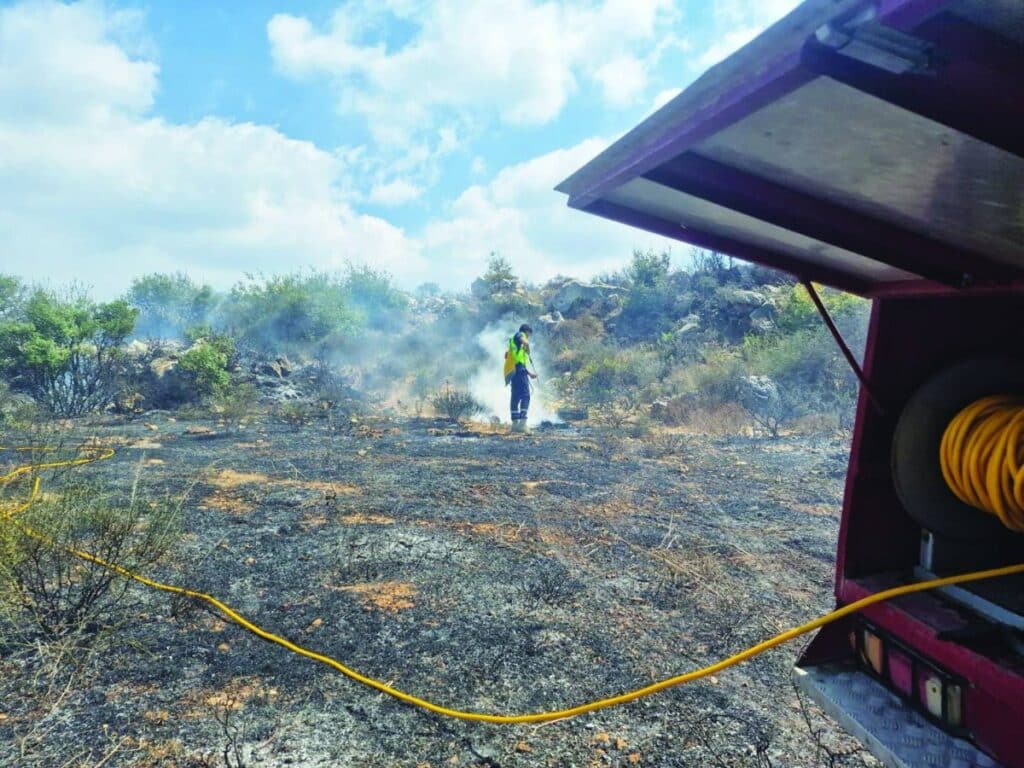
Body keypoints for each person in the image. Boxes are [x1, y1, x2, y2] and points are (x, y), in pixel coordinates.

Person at [507, 323, 538, 431]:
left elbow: (518, 362)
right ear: (526, 331)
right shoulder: (520, 335)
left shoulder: (513, 341)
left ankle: (515, 424)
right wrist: (527, 348)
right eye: (528, 335)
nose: (528, 337)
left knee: (515, 396)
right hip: (518, 370)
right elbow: (525, 342)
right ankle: (522, 424)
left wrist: (529, 374)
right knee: (525, 395)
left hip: (514, 370)